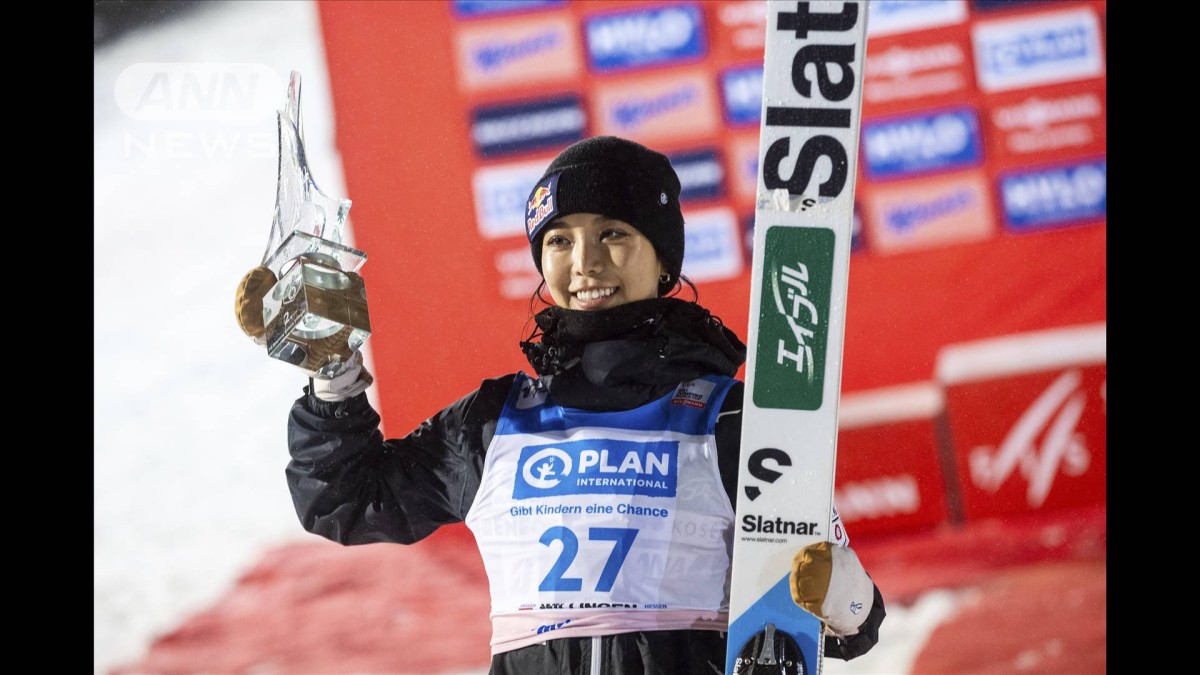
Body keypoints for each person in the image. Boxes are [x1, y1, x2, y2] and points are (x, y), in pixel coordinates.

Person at [235, 135, 885, 674]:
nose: (586, 262)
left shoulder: (733, 419)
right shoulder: (496, 421)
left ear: (664, 259)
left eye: (613, 233)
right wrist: (332, 370)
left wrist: (837, 593)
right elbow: (345, 497)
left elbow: (851, 624)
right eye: (559, 240)